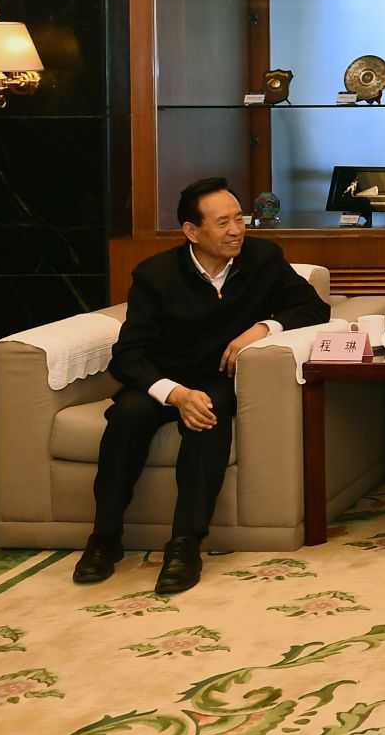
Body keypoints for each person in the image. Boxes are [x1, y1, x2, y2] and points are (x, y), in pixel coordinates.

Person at [74, 177, 328, 594]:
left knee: (207, 417)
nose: (236, 230)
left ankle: (185, 543)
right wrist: (174, 394)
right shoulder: (155, 275)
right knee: (127, 415)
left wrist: (263, 328)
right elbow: (128, 354)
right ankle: (104, 538)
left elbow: (313, 307)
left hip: (219, 378)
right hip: (164, 377)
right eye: (223, 222)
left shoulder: (263, 258)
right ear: (192, 231)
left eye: (239, 219)